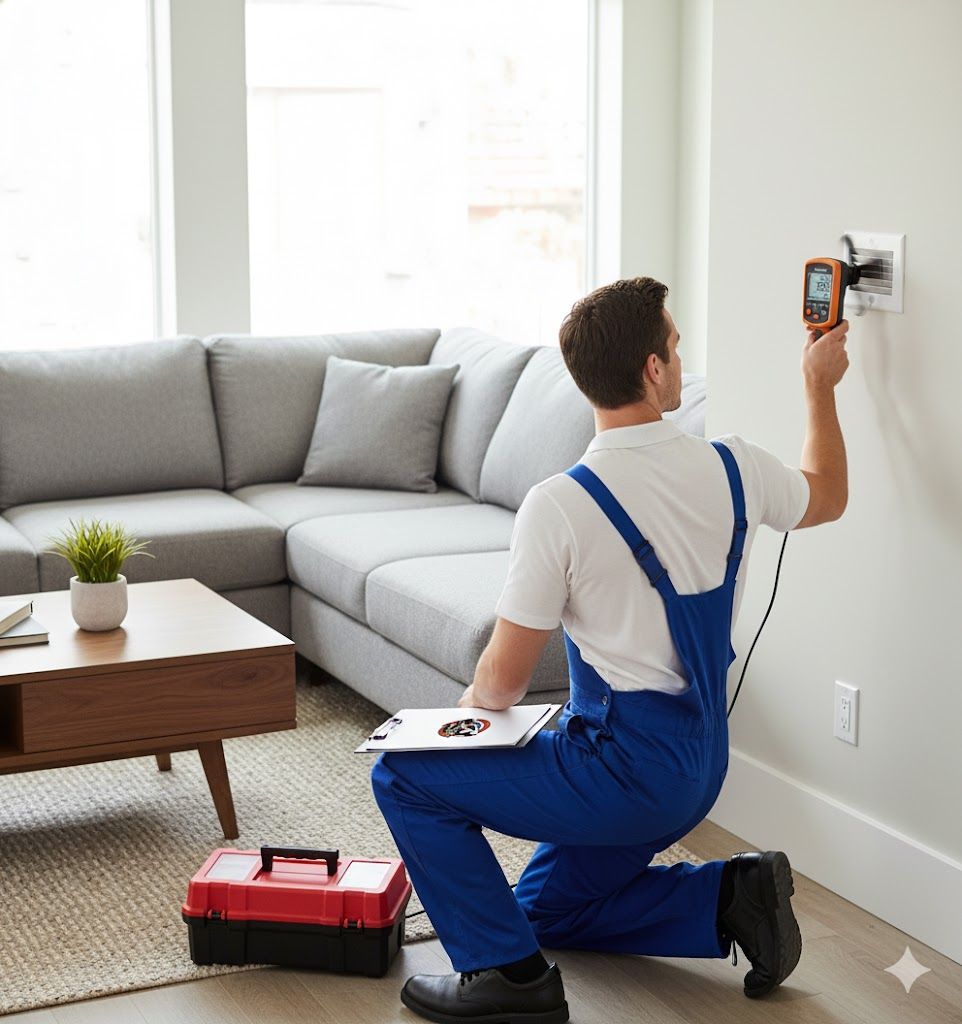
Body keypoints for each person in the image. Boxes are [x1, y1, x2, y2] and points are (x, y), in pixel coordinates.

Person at [371, 277, 850, 1024]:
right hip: (701, 765)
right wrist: (818, 388)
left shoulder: (561, 504)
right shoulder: (737, 467)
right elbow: (828, 494)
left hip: (620, 776)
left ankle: (509, 983)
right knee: (542, 913)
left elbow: (501, 683)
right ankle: (729, 896)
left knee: (403, 773)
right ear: (654, 371)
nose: (681, 359)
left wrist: (456, 729)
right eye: (676, 346)